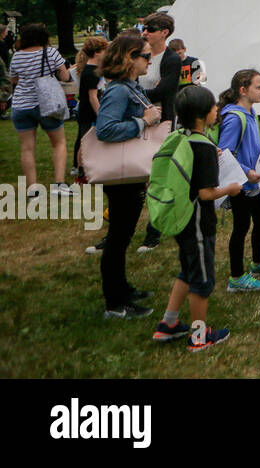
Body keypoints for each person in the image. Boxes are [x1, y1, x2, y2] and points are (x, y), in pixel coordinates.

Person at [151, 85, 241, 350]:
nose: (217, 111)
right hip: (198, 224)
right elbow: (205, 193)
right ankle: (199, 336)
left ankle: (168, 324)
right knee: (202, 281)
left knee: (188, 272)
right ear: (203, 115)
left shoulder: (184, 138)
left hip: (182, 219)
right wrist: (231, 189)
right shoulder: (203, 147)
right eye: (214, 107)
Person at [95, 32, 163, 319]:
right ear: (128, 58)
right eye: (145, 56)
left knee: (123, 236)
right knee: (118, 238)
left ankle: (122, 289)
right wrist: (142, 121)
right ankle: (115, 303)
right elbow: (105, 129)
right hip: (120, 176)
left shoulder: (130, 86)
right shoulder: (118, 91)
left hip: (131, 173)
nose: (150, 61)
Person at [218, 69, 260, 292]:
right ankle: (236, 277)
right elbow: (224, 152)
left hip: (255, 181)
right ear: (243, 90)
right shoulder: (234, 118)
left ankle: (257, 263)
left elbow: (250, 146)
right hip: (240, 184)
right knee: (241, 226)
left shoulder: (250, 112)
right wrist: (246, 171)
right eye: (259, 87)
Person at [8, 22, 73, 196]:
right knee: (58, 143)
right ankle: (59, 184)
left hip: (21, 105)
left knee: (27, 148)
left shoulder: (17, 56)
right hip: (47, 104)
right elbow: (65, 75)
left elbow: (14, 80)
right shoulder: (50, 52)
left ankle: (32, 188)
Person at [137, 12, 180, 253]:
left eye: (150, 28)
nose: (145, 32)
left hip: (161, 123)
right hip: (139, 120)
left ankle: (153, 232)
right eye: (144, 28)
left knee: (156, 176)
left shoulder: (171, 59)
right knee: (136, 174)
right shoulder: (140, 53)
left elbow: (165, 90)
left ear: (164, 32)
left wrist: (134, 95)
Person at [72, 36, 109, 179]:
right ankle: (80, 168)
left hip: (90, 111)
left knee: (87, 140)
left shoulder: (95, 69)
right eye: (105, 50)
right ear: (97, 53)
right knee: (85, 140)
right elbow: (93, 97)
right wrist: (101, 115)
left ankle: (85, 167)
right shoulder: (91, 72)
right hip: (88, 112)